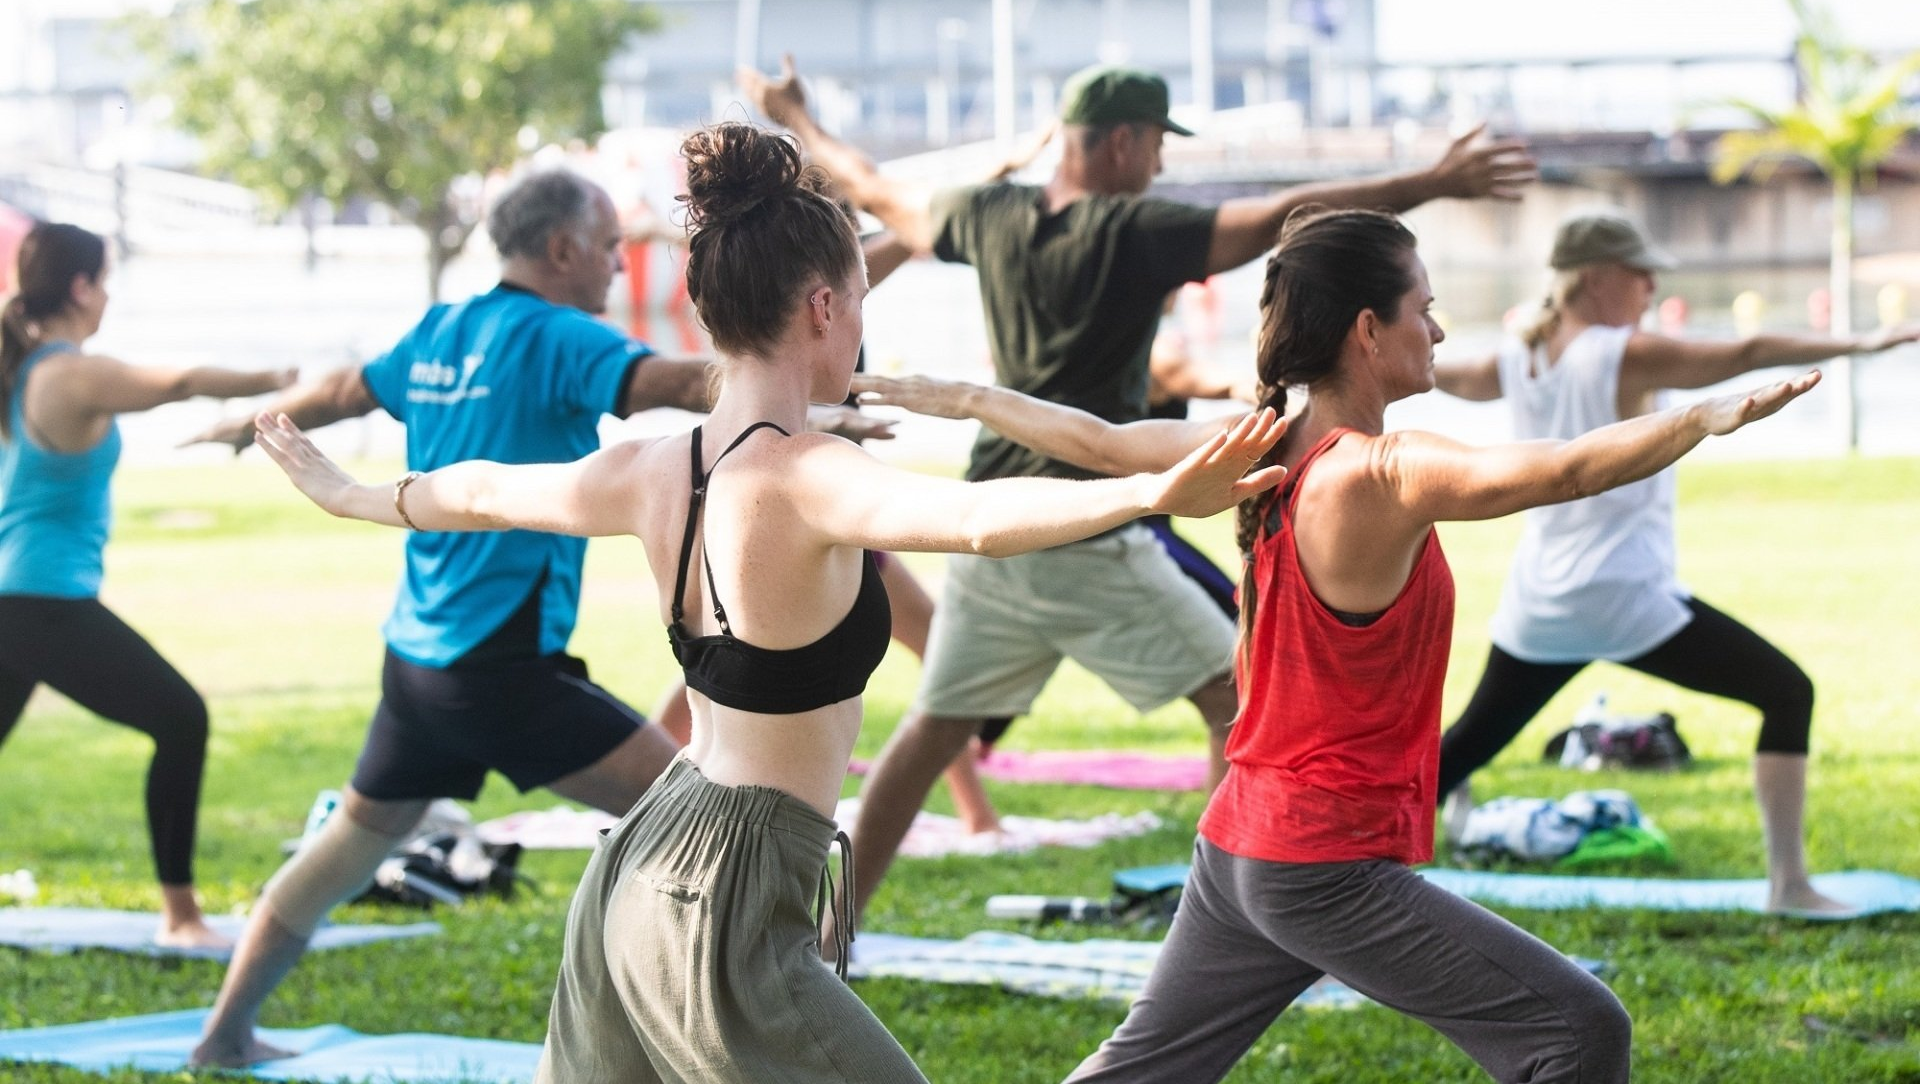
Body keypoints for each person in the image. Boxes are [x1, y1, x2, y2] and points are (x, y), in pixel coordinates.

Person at [248, 121, 1287, 1084]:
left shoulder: (657, 464)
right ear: (826, 307)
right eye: (861, 309)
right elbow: (976, 517)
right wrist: (1154, 491)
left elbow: (477, 488)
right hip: (726, 894)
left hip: (642, 863)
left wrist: (347, 492)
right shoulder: (807, 475)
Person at [857, 208, 1822, 1083]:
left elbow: (1100, 440)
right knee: (1580, 1032)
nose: (1439, 331)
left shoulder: (1265, 441)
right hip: (1318, 864)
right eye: (1425, 309)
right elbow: (1560, 472)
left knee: (1140, 1074)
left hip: (1243, 845)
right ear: (1369, 330)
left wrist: (969, 397)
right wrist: (1696, 417)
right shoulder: (1376, 473)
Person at [739, 53, 1538, 916]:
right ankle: (1234, 920)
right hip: (1084, 529)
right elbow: (1290, 220)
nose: (1160, 163)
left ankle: (827, 932)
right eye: (1157, 144)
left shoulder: (989, 215)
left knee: (934, 730)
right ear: (1120, 143)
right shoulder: (1131, 232)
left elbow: (875, 189)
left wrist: (801, 116)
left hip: (1001, 518)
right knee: (1243, 703)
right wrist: (1433, 178)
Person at [187, 168, 727, 1067]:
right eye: (605, 248)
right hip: (498, 669)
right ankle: (692, 1036)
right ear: (561, 250)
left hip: (419, 662)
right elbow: (673, 381)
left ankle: (223, 1037)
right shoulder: (560, 333)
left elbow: (349, 391)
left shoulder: (441, 329)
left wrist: (250, 423)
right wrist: (799, 385)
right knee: (703, 819)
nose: (612, 264)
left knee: (346, 852)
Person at [1429, 209, 1920, 916]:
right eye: (1640, 271)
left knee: (1462, 749)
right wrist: (1863, 340)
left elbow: (1429, 371)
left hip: (1540, 599)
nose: (1653, 285)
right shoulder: (1618, 351)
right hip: (1624, 595)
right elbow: (1745, 349)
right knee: (1787, 693)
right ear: (1595, 279)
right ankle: (1789, 885)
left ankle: (1340, 866)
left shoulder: (1514, 357)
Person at [0, 221, 294, 948]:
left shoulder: (21, 366)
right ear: (80, 287)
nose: (106, 296)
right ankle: (182, 918)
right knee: (181, 720)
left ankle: (182, 914)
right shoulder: (68, 371)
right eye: (103, 281)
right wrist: (281, 380)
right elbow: (182, 383)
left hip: (18, 599)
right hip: (43, 603)